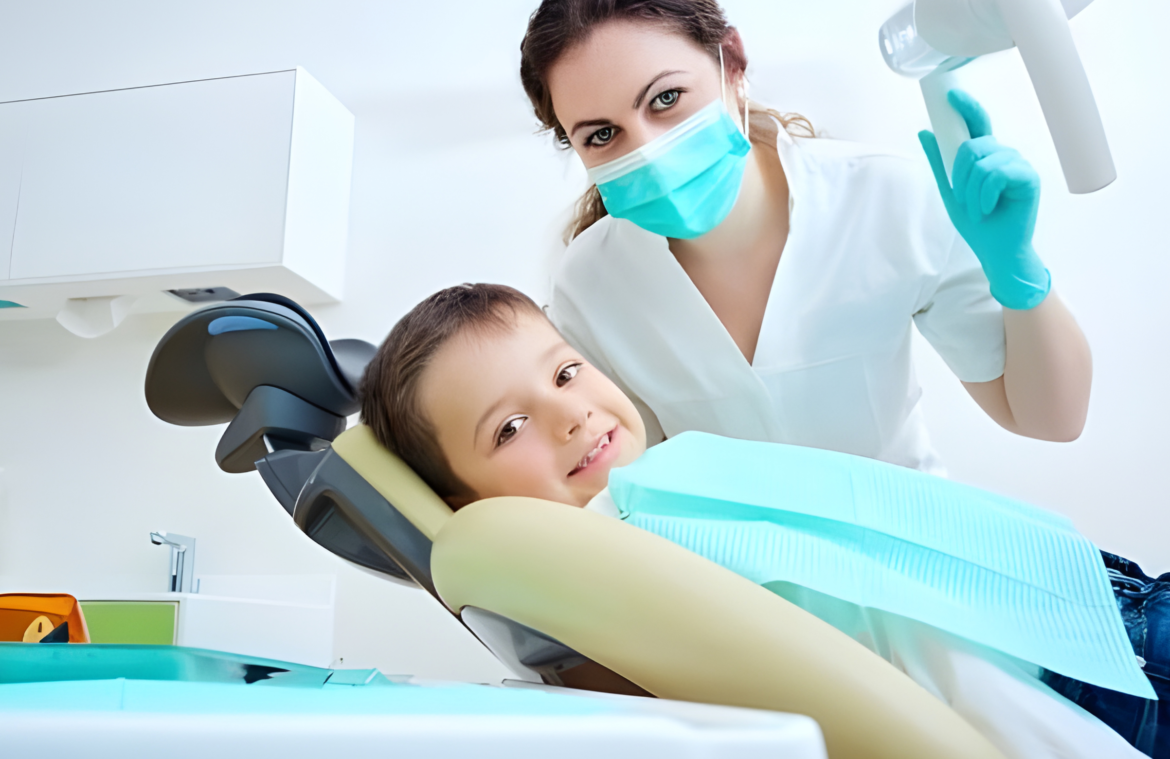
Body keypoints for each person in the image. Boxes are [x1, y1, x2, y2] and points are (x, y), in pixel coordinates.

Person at [360, 283, 1166, 758]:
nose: (570, 414)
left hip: (1090, 596)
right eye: (508, 428)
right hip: (1095, 664)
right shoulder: (614, 550)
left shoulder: (669, 474)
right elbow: (913, 644)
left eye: (566, 372)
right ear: (473, 502)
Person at [518, 0, 1093, 475]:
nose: (647, 151)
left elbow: (1051, 419)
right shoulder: (591, 286)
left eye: (666, 98)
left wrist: (1019, 274)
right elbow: (637, 486)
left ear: (733, 63)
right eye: (601, 136)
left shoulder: (884, 196)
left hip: (920, 563)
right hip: (741, 598)